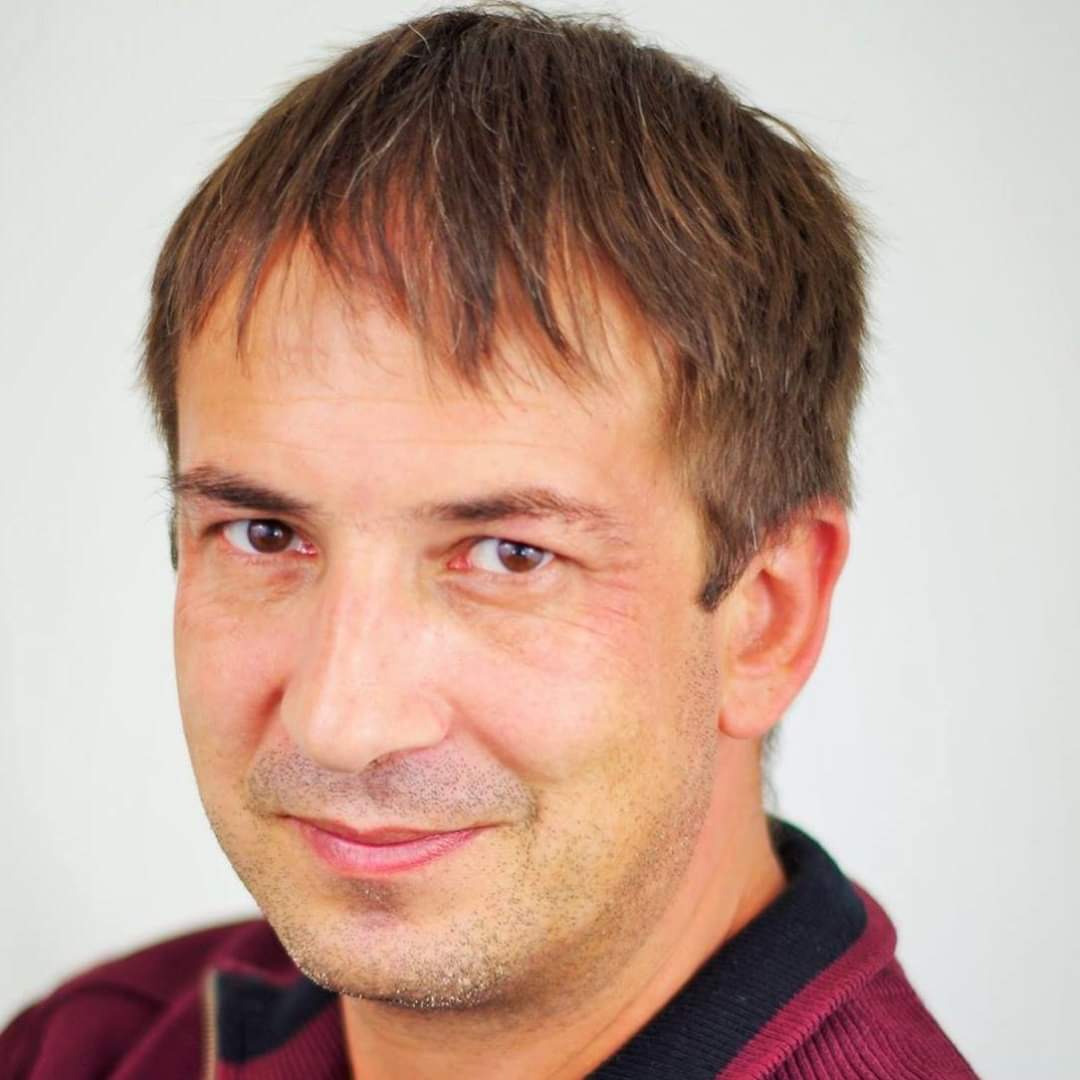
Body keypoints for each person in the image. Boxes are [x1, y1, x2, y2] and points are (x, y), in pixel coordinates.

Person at [2, 4, 978, 1077]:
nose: (340, 724)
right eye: (265, 533)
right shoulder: (90, 1048)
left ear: (767, 619)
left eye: (510, 554)